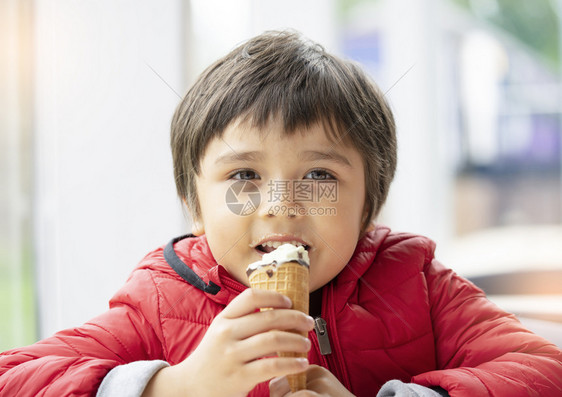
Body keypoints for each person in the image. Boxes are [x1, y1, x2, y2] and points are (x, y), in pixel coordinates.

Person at [1, 30, 561, 397]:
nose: (281, 204)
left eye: (320, 176)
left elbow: (545, 373)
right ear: (195, 205)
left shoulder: (418, 283)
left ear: (369, 204)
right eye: (244, 176)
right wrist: (174, 388)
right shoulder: (158, 302)